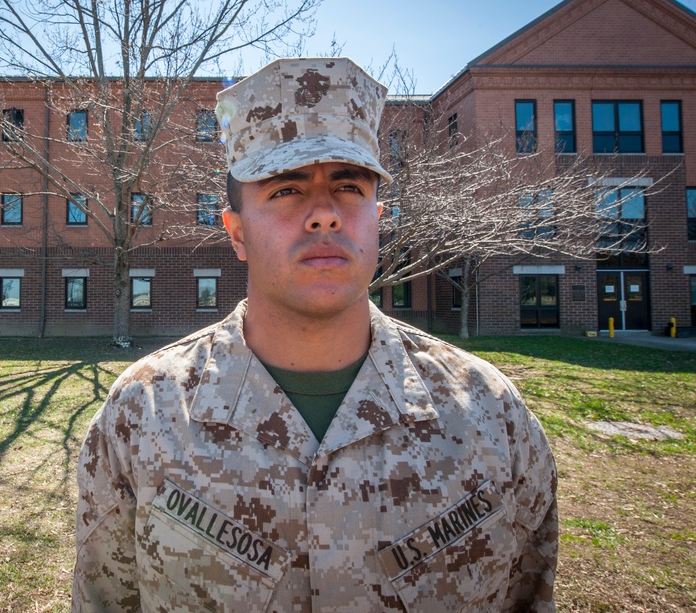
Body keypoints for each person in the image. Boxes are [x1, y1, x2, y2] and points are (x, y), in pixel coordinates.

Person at [73, 58, 558, 612]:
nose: (325, 214)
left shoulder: (490, 415)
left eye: (349, 186)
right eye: (286, 190)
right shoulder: (145, 414)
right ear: (235, 233)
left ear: (379, 217)